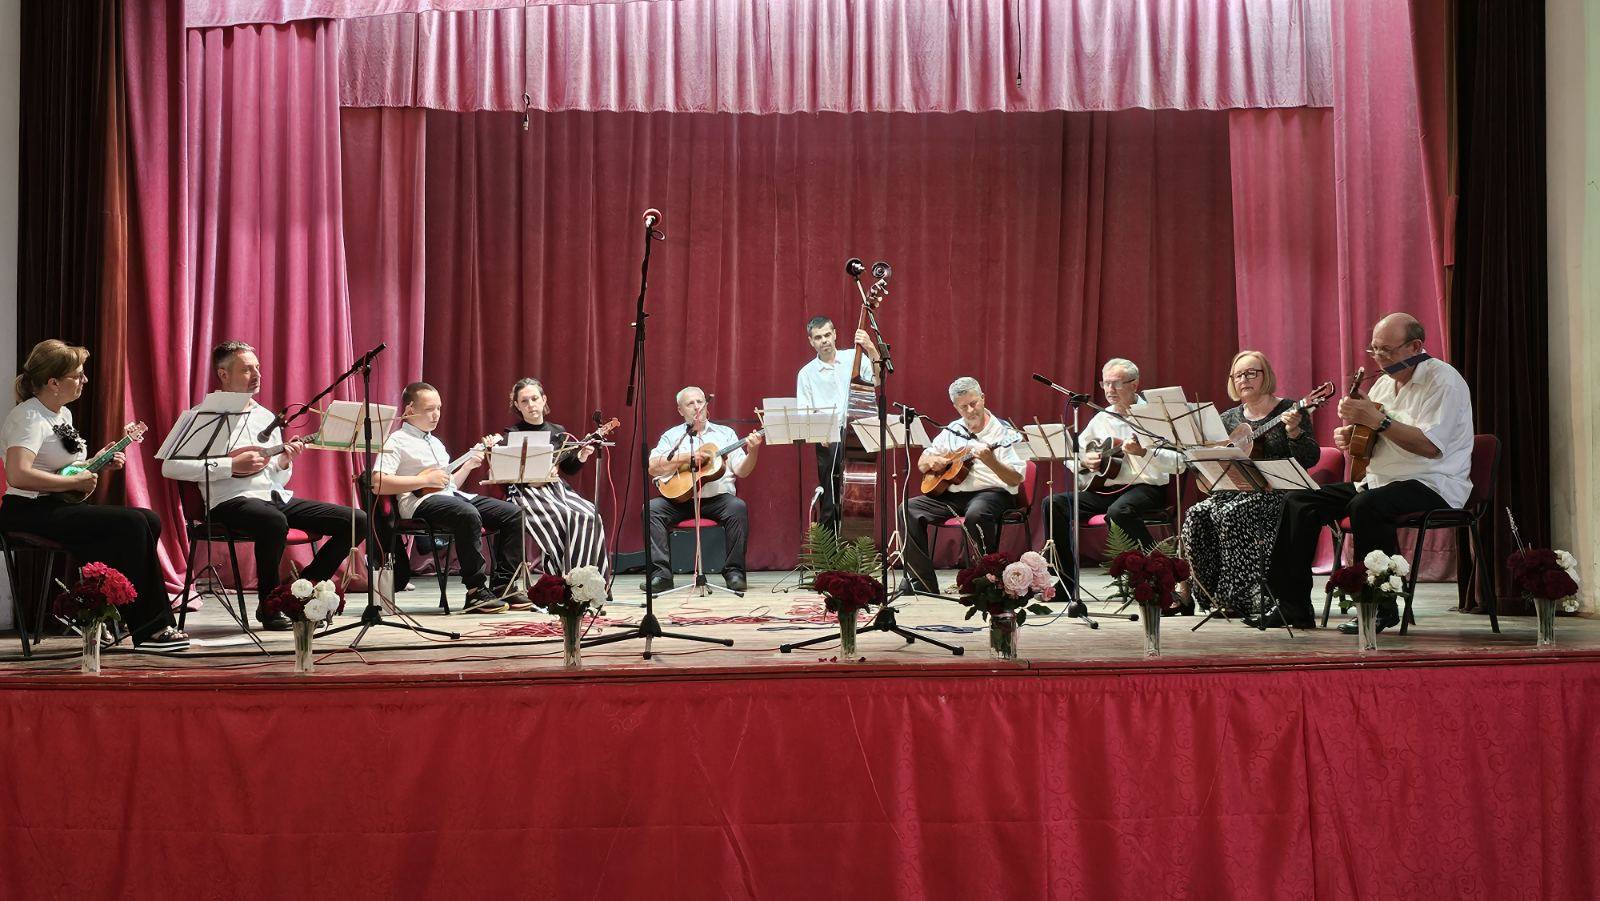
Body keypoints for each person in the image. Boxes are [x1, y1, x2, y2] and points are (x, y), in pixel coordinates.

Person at [1257, 313, 1474, 631]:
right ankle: (1292, 607)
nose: (1379, 357)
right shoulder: (1384, 384)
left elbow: (1430, 446)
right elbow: (1373, 441)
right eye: (1374, 349)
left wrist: (1377, 421)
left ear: (1415, 346)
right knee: (1299, 501)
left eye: (1387, 350)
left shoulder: (1444, 382)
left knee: (1367, 505)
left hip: (1433, 481)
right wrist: (1353, 437)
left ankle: (1378, 606)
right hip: (1381, 480)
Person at [162, 341, 369, 631]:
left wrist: (283, 461)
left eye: (257, 368)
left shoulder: (265, 416)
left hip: (274, 498)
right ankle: (270, 605)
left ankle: (300, 591)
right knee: (273, 521)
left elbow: (276, 477)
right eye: (247, 369)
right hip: (228, 502)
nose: (257, 375)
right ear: (223, 374)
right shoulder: (201, 416)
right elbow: (169, 466)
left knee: (356, 520)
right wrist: (230, 465)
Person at [1, 340, 188, 649]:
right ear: (53, 382)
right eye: (77, 375)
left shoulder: (61, 414)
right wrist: (75, 482)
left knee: (149, 519)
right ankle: (151, 627)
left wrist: (97, 461)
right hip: (28, 509)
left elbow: (62, 469)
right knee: (132, 524)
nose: (84, 380)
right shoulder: (29, 418)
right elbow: (18, 475)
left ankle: (124, 611)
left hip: (55, 504)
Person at [1181, 351, 1320, 618]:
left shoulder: (1290, 409)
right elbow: (1206, 460)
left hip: (1279, 493)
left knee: (1232, 513)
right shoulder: (1229, 418)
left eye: (1251, 373)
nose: (1244, 379)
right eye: (1238, 375)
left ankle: (1241, 597)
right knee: (1195, 515)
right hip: (1236, 491)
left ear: (1266, 376)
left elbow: (1310, 458)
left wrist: (1294, 433)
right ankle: (1208, 594)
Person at [372, 382, 528, 614]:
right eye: (429, 409)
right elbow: (378, 483)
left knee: (513, 513)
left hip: (450, 497)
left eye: (439, 408)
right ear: (410, 409)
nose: (436, 415)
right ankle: (475, 591)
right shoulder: (396, 441)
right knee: (466, 513)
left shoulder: (435, 443)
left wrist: (469, 465)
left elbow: (449, 484)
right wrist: (424, 480)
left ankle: (504, 585)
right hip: (419, 504)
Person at [1042, 358, 1182, 592]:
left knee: (1119, 511)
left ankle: (1158, 573)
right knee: (1053, 504)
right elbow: (1071, 454)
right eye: (1105, 383)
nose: (1109, 390)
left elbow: (1179, 463)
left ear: (1134, 384)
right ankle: (1067, 583)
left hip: (1146, 488)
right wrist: (1084, 461)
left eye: (1116, 383)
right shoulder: (1102, 417)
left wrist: (1143, 452)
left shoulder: (1153, 416)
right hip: (1105, 490)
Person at [900, 377, 1026, 593]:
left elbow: (1015, 479)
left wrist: (991, 461)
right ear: (955, 407)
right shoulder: (953, 429)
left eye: (974, 403)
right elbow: (922, 463)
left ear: (983, 398)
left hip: (991, 493)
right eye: (963, 407)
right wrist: (933, 461)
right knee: (907, 509)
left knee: (977, 514)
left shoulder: (1004, 432)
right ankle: (923, 583)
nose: (970, 410)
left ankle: (985, 582)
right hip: (953, 495)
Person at [644, 386, 763, 593]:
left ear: (707, 406)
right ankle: (661, 575)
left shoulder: (725, 434)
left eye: (700, 402)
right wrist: (687, 457)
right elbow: (653, 466)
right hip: (680, 500)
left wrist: (753, 451)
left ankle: (734, 572)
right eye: (690, 403)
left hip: (717, 500)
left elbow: (742, 471)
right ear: (680, 410)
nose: (697, 407)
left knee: (737, 508)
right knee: (651, 509)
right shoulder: (671, 436)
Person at [503, 377, 610, 578]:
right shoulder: (512, 434)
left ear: (544, 400)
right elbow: (506, 472)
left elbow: (569, 468)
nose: (531, 404)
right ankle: (561, 578)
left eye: (535, 398)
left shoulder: (558, 431)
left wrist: (581, 456)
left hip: (555, 489)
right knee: (566, 516)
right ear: (517, 405)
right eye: (524, 401)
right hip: (526, 492)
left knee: (591, 515)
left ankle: (588, 580)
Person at [795, 316, 880, 531]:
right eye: (818, 337)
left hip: (857, 433)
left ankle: (858, 541)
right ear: (810, 341)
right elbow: (805, 412)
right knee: (830, 495)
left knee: (859, 493)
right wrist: (818, 433)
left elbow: (877, 380)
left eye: (827, 335)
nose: (824, 340)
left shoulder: (854, 357)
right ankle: (830, 546)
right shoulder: (806, 373)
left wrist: (871, 348)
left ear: (835, 334)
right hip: (827, 438)